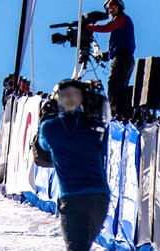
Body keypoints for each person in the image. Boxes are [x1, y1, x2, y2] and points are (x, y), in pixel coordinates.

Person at [36, 80, 110, 251]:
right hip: (99, 197)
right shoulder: (96, 127)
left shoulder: (50, 128)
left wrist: (47, 116)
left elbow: (42, 148)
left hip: (73, 198)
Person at [85, 0, 136, 118]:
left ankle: (113, 109)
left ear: (119, 6)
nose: (110, 9)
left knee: (114, 82)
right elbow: (117, 45)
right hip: (125, 58)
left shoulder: (121, 19)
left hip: (123, 57)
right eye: (108, 8)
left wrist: (88, 27)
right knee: (120, 85)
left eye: (113, 6)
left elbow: (107, 28)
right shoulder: (121, 22)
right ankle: (120, 112)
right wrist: (105, 56)